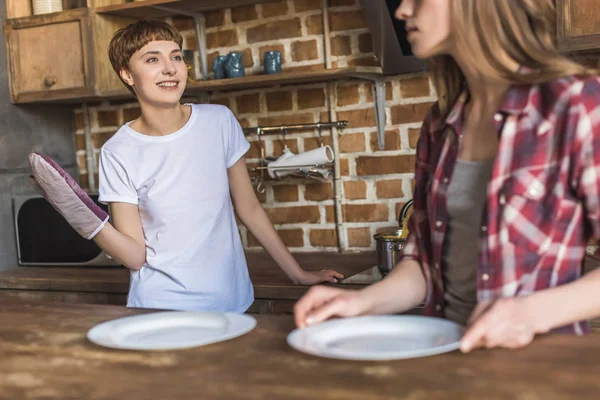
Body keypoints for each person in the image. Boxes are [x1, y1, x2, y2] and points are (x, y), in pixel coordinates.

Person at [294, 0, 600, 352]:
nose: (402, 10)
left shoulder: (576, 105)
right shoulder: (439, 125)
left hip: (539, 372)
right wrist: (361, 303)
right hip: (448, 361)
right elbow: (424, 264)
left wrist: (531, 313)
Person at [29, 20, 342, 313]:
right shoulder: (118, 151)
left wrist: (298, 273)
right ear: (127, 74)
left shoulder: (219, 121)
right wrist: (85, 220)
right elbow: (136, 256)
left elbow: (249, 209)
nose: (169, 69)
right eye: (152, 59)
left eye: (176, 57)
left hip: (232, 300)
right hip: (161, 307)